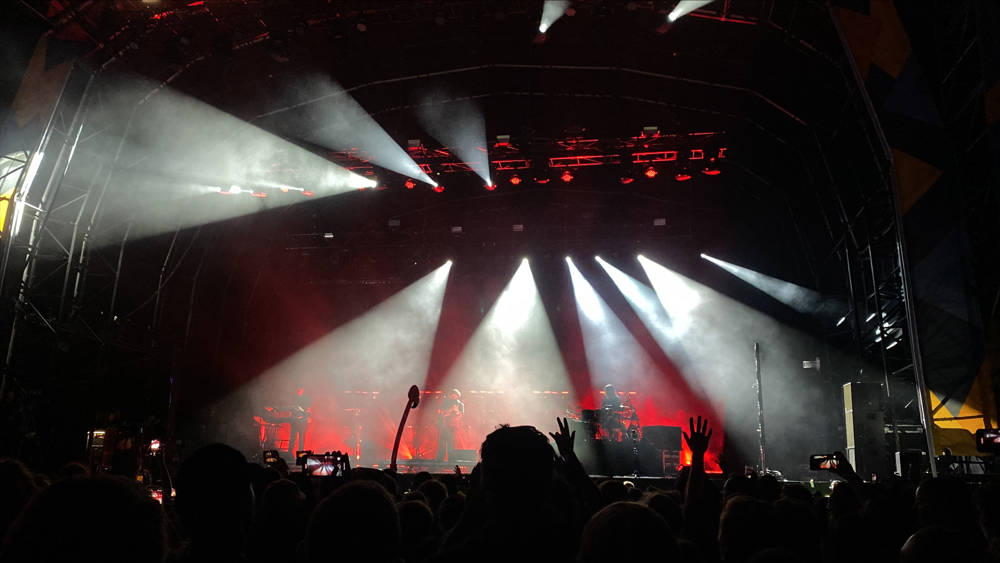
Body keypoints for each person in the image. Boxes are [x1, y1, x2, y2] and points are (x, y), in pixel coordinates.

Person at [435, 389, 464, 462]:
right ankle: (440, 458)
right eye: (452, 394)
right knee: (442, 442)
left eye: (455, 394)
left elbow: (460, 415)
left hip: (453, 426)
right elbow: (439, 412)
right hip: (444, 425)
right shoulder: (445, 403)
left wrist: (454, 412)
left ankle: (451, 459)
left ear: (458, 396)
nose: (453, 396)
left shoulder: (460, 404)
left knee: (451, 442)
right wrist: (450, 411)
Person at [287, 387, 310, 457]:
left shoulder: (306, 399)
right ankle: (289, 453)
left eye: (300, 389)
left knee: (301, 439)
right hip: (295, 422)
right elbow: (291, 409)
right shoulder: (294, 398)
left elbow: (307, 411)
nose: (299, 391)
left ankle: (301, 454)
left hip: (302, 423)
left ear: (303, 390)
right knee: (292, 438)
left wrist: (301, 410)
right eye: (298, 389)